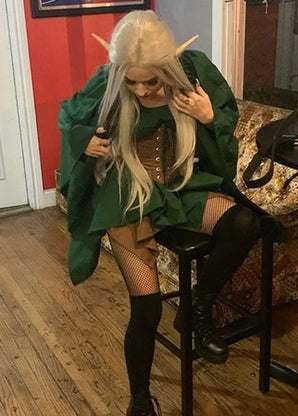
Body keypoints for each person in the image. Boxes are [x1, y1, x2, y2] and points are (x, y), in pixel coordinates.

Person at [58, 10, 267, 416]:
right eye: (131, 81)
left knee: (244, 223)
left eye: (150, 81)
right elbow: (69, 119)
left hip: (180, 185)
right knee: (147, 308)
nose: (139, 89)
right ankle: (139, 399)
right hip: (128, 196)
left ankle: (196, 309)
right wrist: (84, 141)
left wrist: (208, 117)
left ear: (168, 67)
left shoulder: (194, 72)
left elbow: (226, 119)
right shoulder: (107, 79)